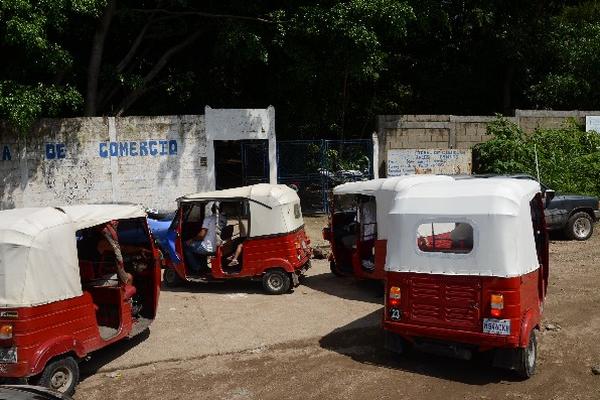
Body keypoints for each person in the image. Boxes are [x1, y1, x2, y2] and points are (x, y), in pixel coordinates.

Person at [185, 203, 226, 274]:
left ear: (212, 209)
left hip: (208, 248)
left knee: (186, 246)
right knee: (200, 244)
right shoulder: (224, 219)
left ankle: (197, 268)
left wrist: (191, 240)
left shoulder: (208, 219)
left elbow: (201, 236)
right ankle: (204, 266)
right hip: (218, 247)